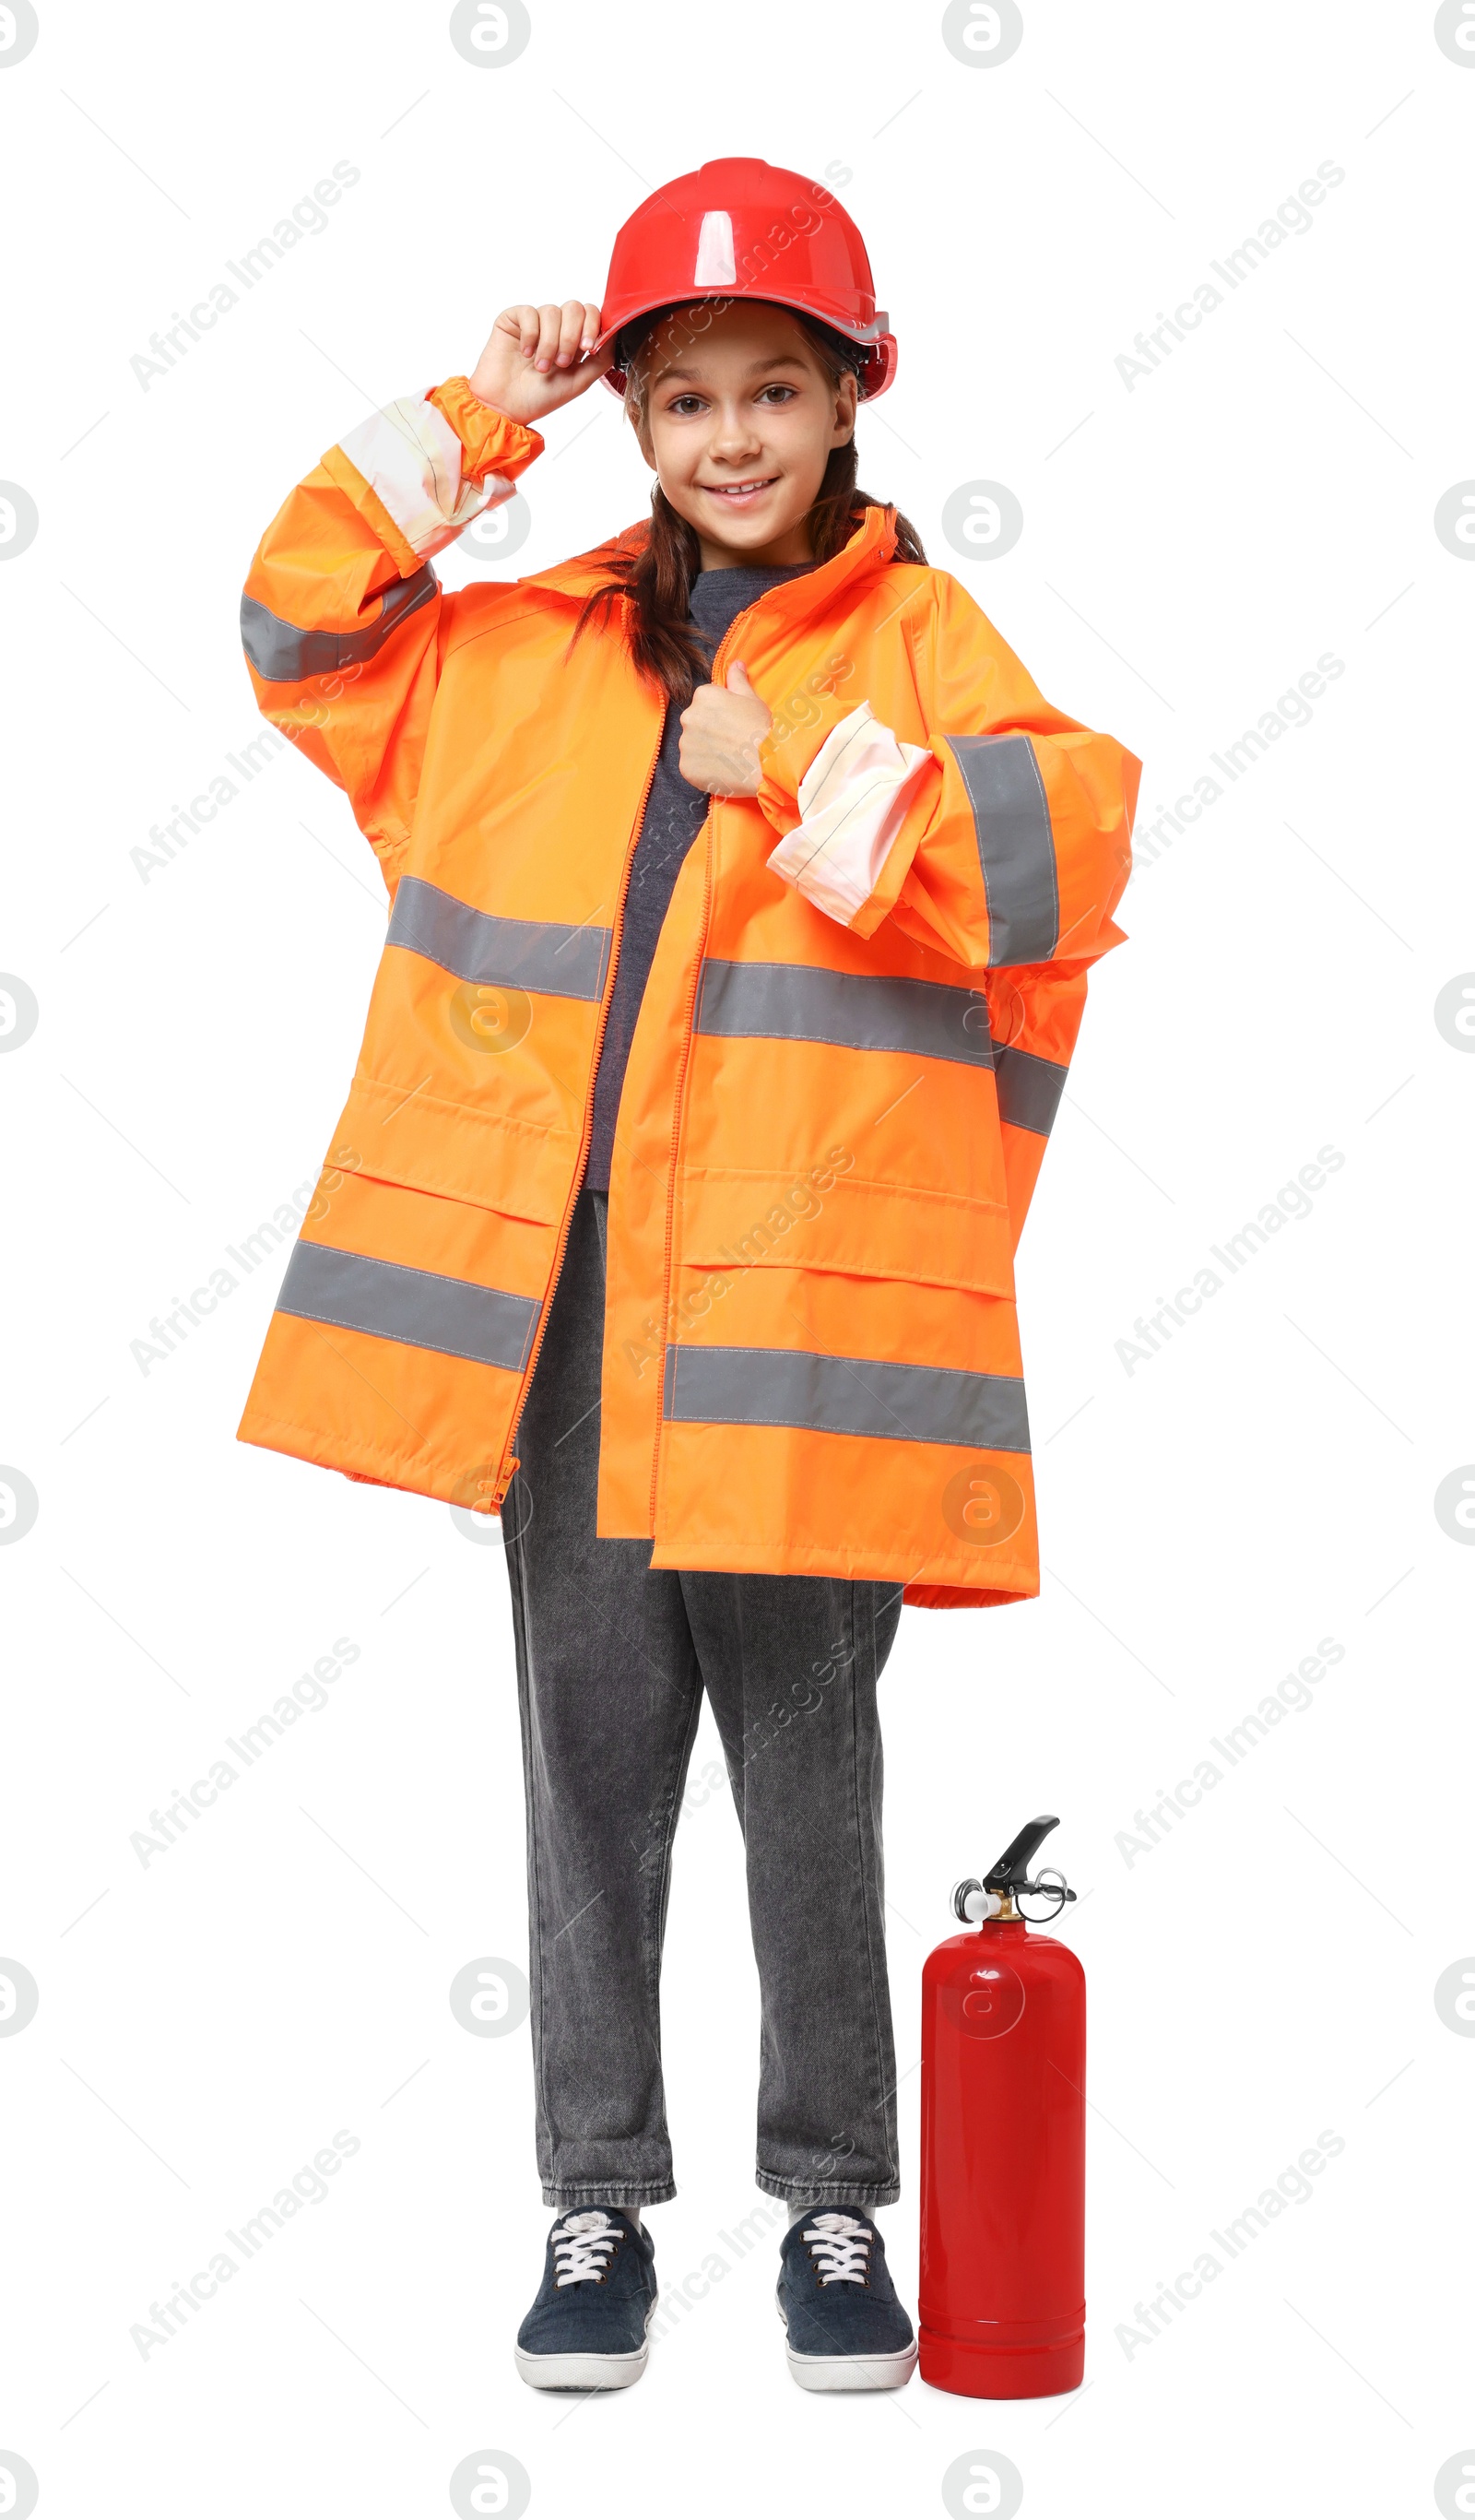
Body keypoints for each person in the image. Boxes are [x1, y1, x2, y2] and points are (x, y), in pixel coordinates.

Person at [235, 158, 1139, 2394]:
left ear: (851, 402)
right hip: (559, 1326)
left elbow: (1060, 853)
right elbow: (297, 623)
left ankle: (835, 2198)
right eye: (683, 397)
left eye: (774, 389)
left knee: (810, 1778)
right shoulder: (520, 653)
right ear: (632, 417)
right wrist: (476, 412)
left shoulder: (920, 645)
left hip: (797, 1325)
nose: (731, 437)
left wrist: (809, 776)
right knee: (590, 1764)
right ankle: (591, 2200)